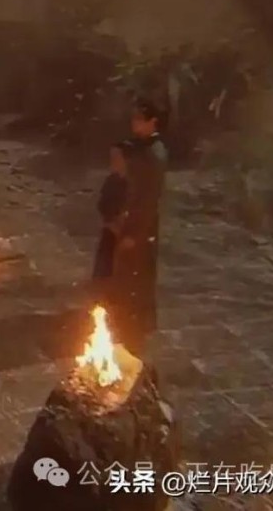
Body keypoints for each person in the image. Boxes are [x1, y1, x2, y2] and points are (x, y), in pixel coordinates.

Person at [111, 99, 169, 354]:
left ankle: (138, 326)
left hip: (142, 227)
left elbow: (148, 200)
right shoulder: (143, 147)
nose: (134, 124)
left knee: (139, 276)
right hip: (132, 220)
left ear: (152, 122)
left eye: (139, 120)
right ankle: (130, 319)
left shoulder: (155, 155)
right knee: (128, 273)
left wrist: (135, 234)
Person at [92, 145, 128, 280]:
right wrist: (110, 221)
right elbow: (102, 204)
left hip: (126, 230)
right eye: (112, 158)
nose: (113, 162)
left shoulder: (133, 182)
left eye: (117, 158)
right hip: (110, 227)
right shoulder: (111, 180)